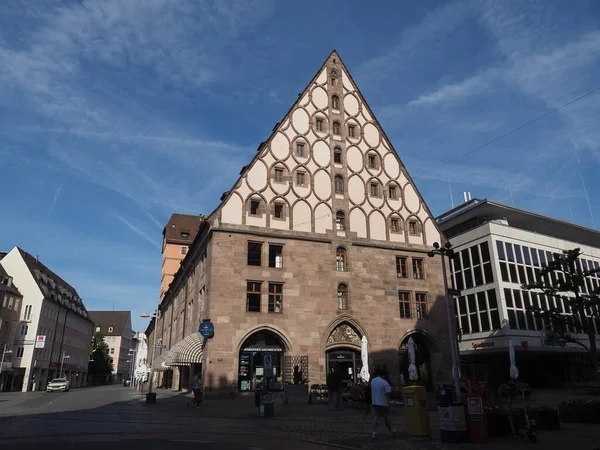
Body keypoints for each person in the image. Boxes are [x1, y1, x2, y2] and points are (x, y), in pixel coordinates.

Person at [370, 368, 397, 439]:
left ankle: (374, 432)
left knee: (376, 417)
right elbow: (388, 393)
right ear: (383, 375)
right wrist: (388, 403)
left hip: (374, 402)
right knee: (386, 419)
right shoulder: (384, 382)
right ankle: (390, 431)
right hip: (382, 403)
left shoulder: (373, 381)